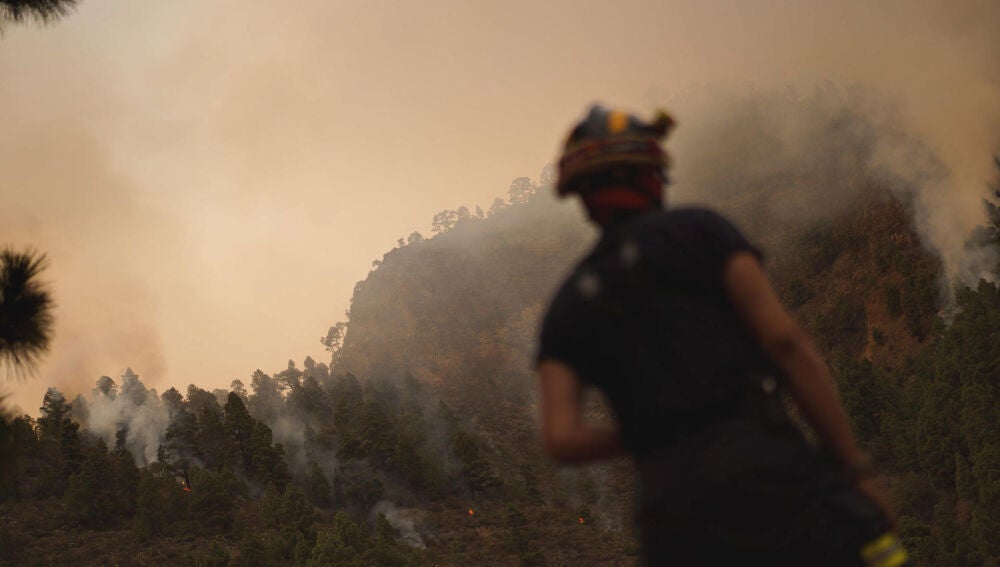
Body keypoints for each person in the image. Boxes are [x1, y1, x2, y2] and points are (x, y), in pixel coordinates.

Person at [535, 105, 908, 566]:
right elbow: (784, 342)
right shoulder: (700, 231)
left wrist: (652, 429)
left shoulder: (568, 305)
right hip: (770, 474)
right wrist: (854, 467)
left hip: (672, 520)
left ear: (583, 196)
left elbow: (561, 438)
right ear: (651, 174)